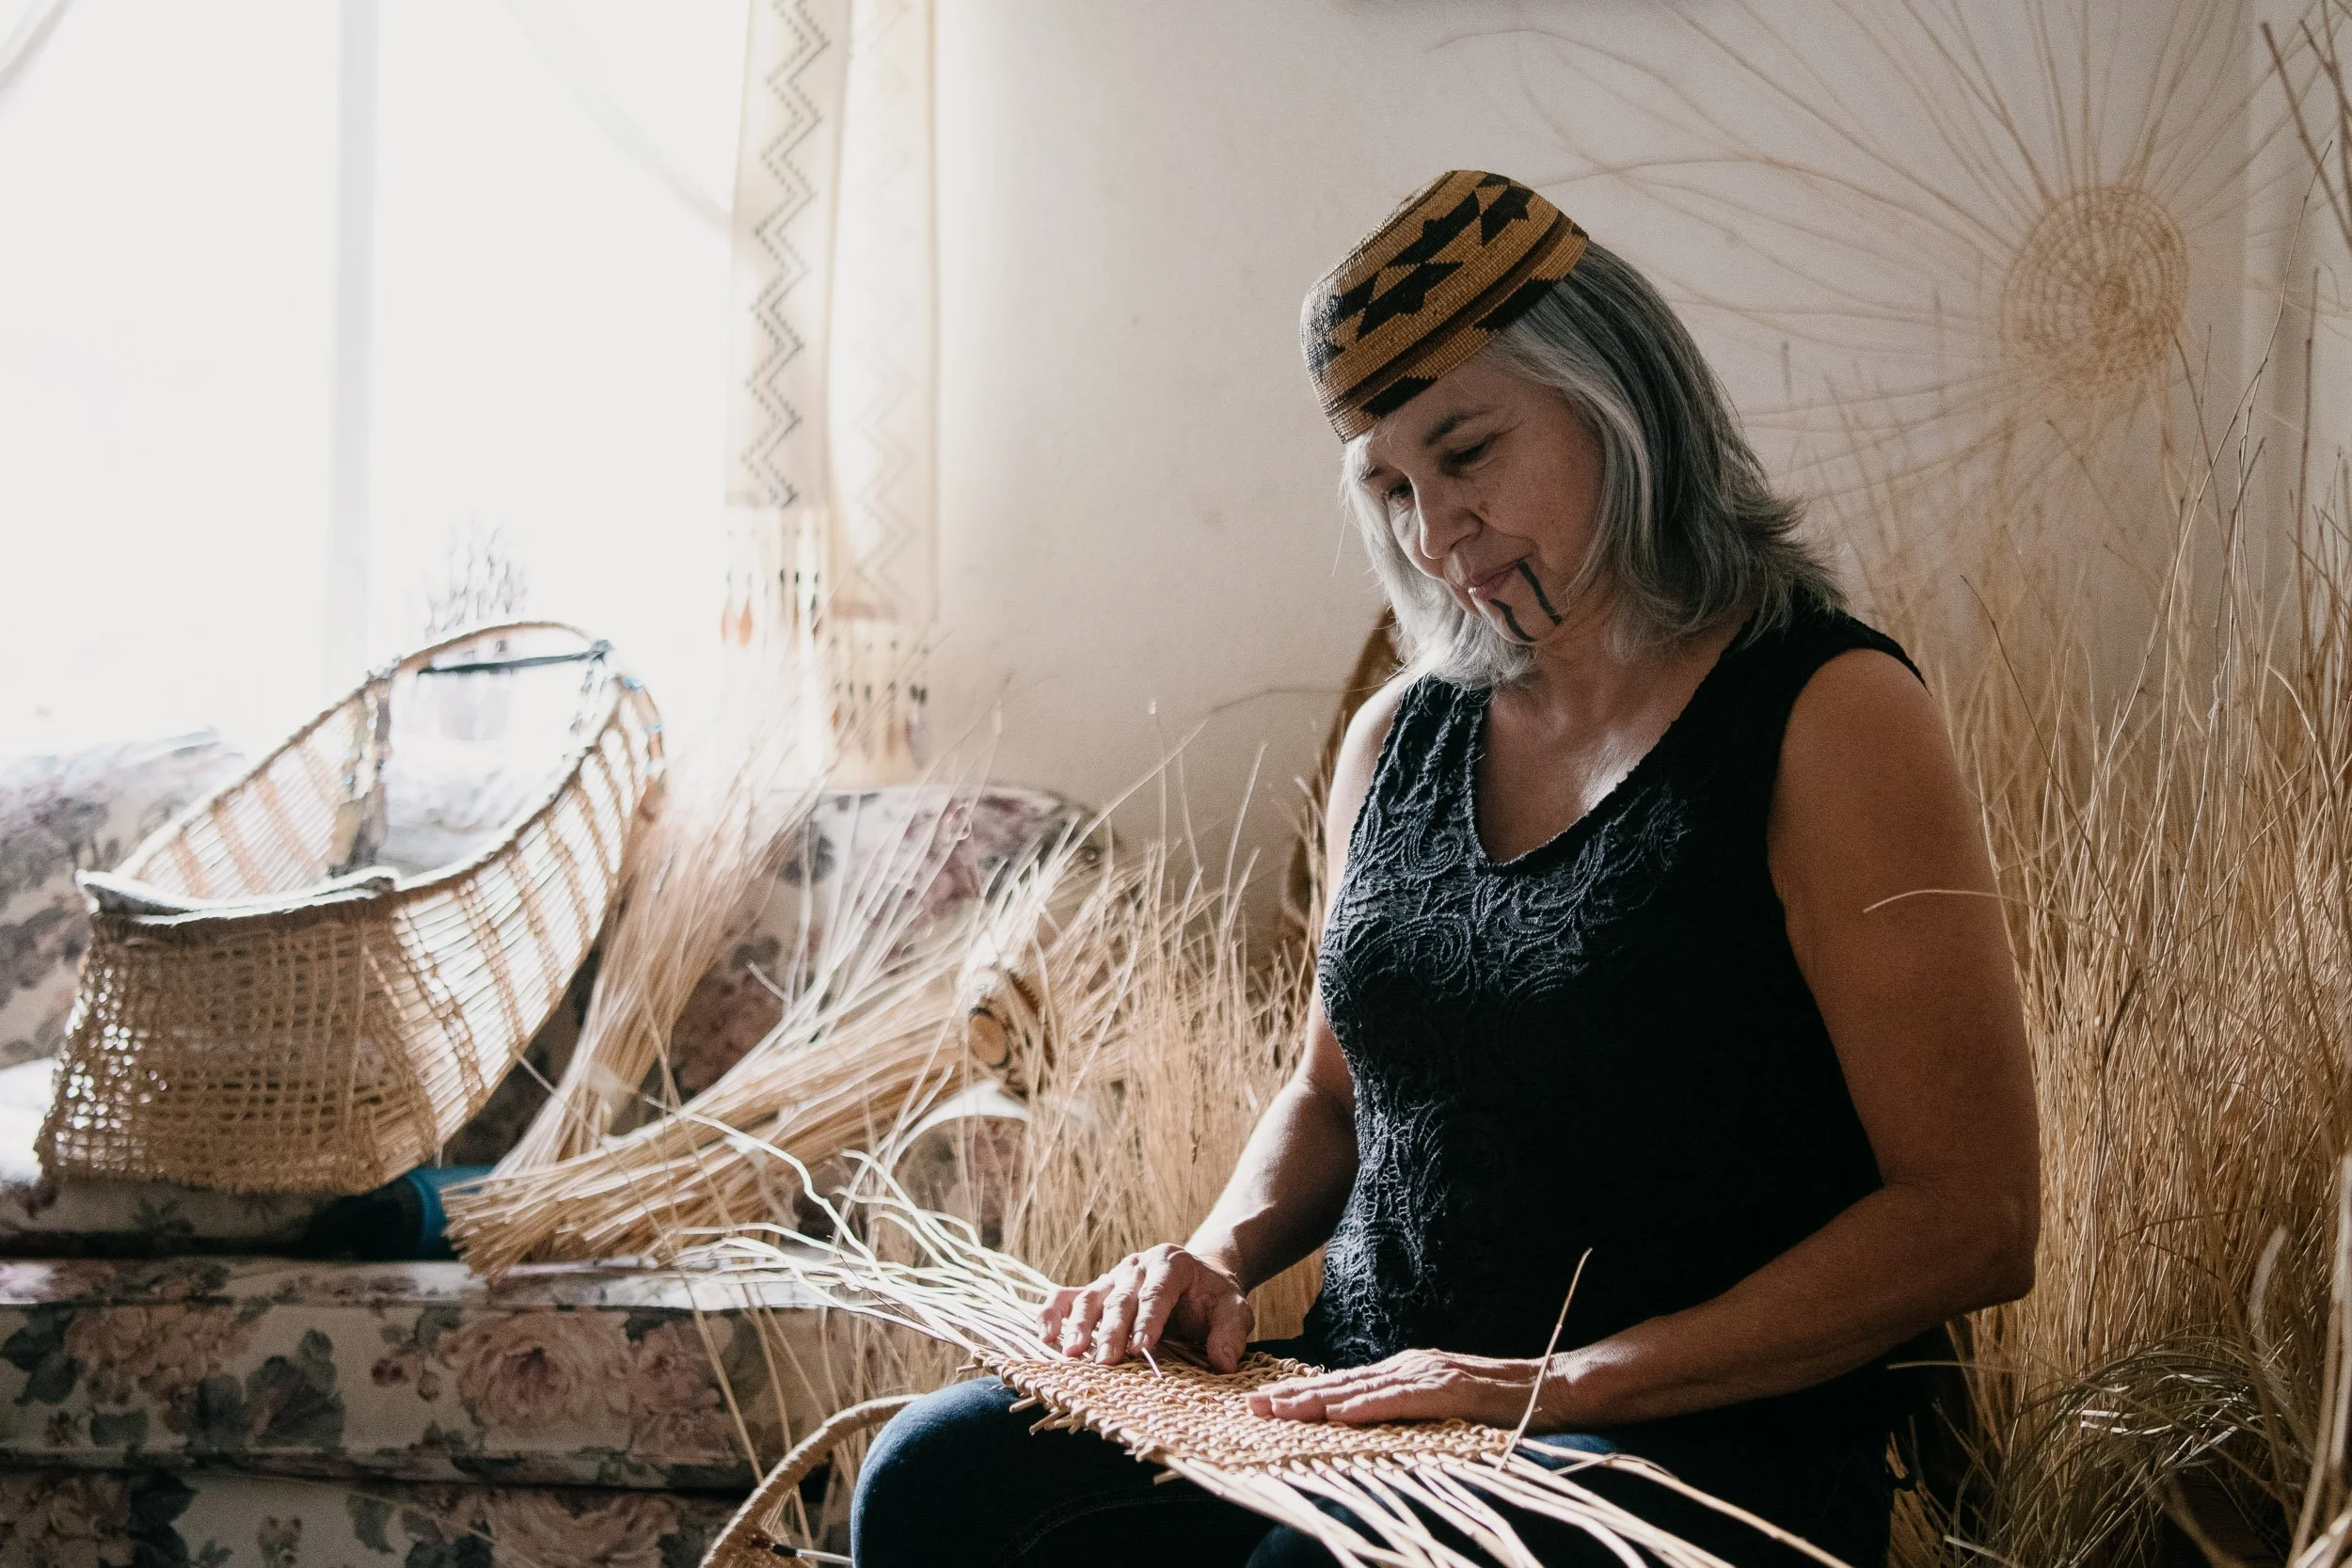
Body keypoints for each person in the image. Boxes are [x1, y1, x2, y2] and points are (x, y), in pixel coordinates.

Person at [850, 170, 2040, 1568]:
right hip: (1376, 1400)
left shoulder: (1827, 716)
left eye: (1467, 452)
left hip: (1679, 1440)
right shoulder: (1397, 740)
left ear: (1619, 400)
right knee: (937, 1481)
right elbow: (1331, 1088)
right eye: (1392, 485)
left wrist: (1552, 1384)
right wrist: (1217, 1254)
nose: (1432, 531)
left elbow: (1973, 1217)